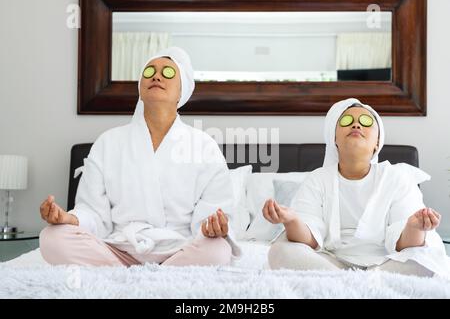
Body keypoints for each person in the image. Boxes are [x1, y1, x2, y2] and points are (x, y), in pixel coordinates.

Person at [39, 47, 240, 267]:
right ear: (140, 87)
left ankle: (130, 277)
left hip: (180, 250)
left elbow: (211, 214)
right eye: (149, 71)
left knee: (218, 250)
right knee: (52, 238)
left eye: (168, 73)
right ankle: (149, 276)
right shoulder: (108, 142)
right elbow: (94, 213)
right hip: (117, 248)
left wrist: (213, 228)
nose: (156, 76)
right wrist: (70, 219)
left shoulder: (203, 146)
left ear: (183, 89)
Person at [263, 98, 450, 278]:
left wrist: (414, 226)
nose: (356, 125)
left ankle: (346, 285)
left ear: (377, 141)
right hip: (330, 263)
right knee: (280, 251)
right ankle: (360, 285)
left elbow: (406, 246)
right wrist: (291, 220)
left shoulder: (396, 178)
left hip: (387, 264)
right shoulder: (317, 179)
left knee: (426, 258)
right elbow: (309, 240)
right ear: (334, 138)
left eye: (365, 121)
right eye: (347, 121)